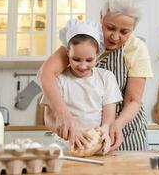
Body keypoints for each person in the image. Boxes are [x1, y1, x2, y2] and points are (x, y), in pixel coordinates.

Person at [38, 0, 153, 151]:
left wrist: (115, 125)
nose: (115, 36)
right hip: (82, 136)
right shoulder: (81, 40)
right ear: (101, 17)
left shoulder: (137, 49)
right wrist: (64, 116)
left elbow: (134, 99)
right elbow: (47, 73)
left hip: (126, 130)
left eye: (124, 32)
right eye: (110, 27)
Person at [40, 19, 123, 153]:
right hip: (66, 149)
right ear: (68, 53)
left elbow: (109, 115)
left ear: (97, 54)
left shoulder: (106, 78)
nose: (83, 66)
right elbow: (48, 118)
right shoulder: (58, 80)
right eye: (76, 59)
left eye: (89, 60)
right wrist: (67, 131)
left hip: (97, 147)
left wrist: (105, 129)